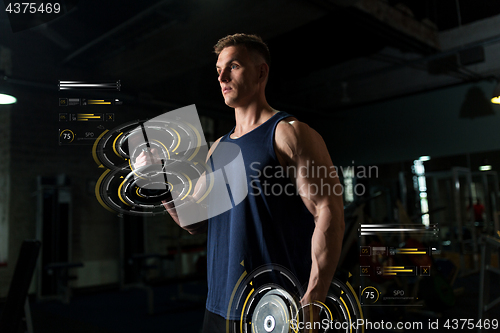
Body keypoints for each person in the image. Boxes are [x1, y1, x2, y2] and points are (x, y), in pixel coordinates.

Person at [135, 33, 345, 332]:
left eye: (233, 66)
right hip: (219, 306)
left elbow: (330, 213)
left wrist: (315, 295)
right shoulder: (218, 148)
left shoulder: (289, 134)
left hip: (274, 307)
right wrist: (159, 179)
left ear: (261, 72)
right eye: (218, 69)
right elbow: (193, 220)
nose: (221, 76)